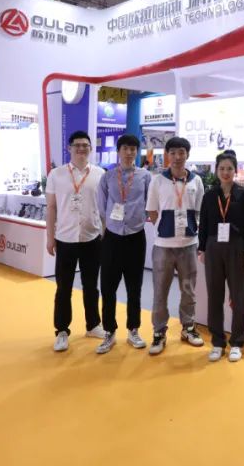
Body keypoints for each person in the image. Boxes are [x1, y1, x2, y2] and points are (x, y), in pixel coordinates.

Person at [46, 131, 106, 352]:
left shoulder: (100, 174)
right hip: (65, 238)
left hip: (91, 237)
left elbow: (103, 208)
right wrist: (50, 237)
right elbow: (51, 207)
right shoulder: (57, 174)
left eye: (85, 145)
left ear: (91, 148)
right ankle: (62, 330)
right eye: (77, 145)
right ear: (69, 148)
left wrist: (104, 233)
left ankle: (93, 324)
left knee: (91, 286)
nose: (81, 149)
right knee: (64, 288)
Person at [145, 136, 205, 355]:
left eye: (181, 152)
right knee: (160, 291)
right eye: (173, 153)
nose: (177, 157)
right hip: (163, 246)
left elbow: (200, 211)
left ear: (187, 155)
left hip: (189, 245)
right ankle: (159, 331)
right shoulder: (157, 181)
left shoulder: (196, 181)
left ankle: (188, 327)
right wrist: (164, 228)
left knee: (188, 290)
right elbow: (152, 211)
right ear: (167, 155)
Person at [199, 151, 244, 363]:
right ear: (216, 170)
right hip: (213, 247)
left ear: (235, 170)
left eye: (229, 168)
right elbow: (204, 223)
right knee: (214, 296)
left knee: (239, 296)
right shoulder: (209, 195)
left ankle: (237, 343)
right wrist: (202, 249)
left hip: (237, 247)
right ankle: (217, 342)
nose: (225, 172)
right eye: (222, 168)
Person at [95, 133, 151, 354]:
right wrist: (111, 223)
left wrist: (138, 216)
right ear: (118, 151)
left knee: (134, 287)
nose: (129, 152)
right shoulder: (107, 177)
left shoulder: (145, 176)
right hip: (112, 237)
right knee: (108, 287)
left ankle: (133, 329)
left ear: (137, 152)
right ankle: (109, 331)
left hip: (136, 237)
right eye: (125, 148)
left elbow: (150, 202)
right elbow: (101, 206)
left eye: (133, 149)